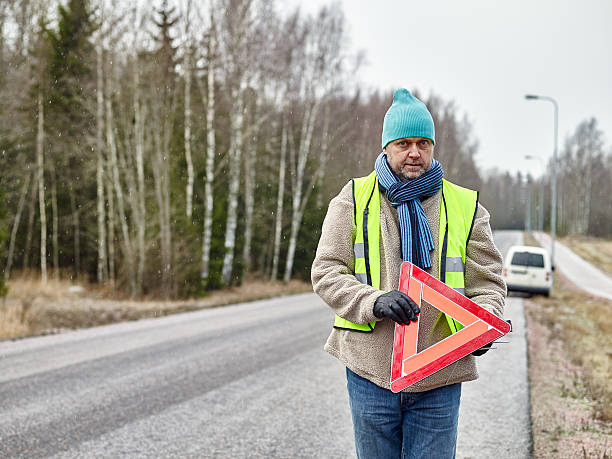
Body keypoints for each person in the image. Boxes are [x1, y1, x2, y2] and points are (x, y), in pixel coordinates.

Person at [311, 88, 506, 459]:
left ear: (433, 147)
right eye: (403, 143)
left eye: (423, 143)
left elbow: (488, 282)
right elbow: (326, 271)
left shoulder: (467, 206)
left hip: (440, 371)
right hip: (370, 370)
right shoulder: (353, 198)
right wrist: (373, 301)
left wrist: (484, 322)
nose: (414, 152)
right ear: (386, 148)